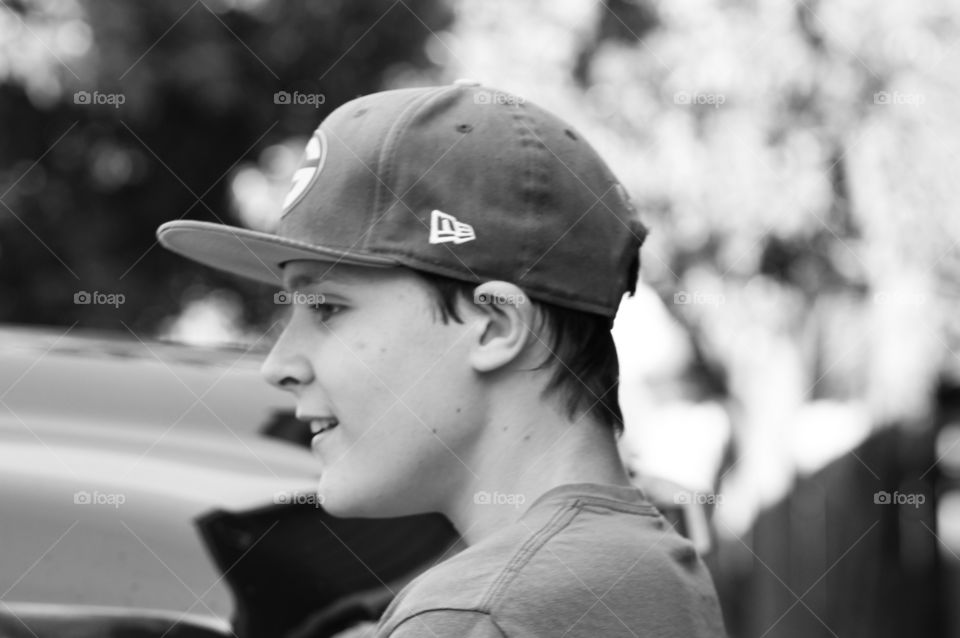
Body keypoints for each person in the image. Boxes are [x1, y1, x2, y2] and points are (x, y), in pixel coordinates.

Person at [157, 79, 727, 638]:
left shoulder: (473, 615)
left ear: (496, 327)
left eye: (327, 307)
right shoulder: (655, 566)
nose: (278, 364)